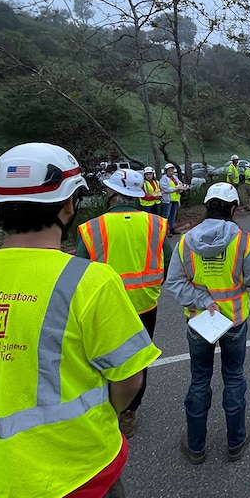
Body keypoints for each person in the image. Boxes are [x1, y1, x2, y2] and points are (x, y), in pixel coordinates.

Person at [0, 142, 161, 498]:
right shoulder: (90, 281)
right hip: (75, 479)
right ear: (69, 204)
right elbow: (129, 379)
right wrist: (109, 414)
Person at [164, 182, 250, 465]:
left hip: (200, 322)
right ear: (233, 209)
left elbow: (174, 282)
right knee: (233, 377)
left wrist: (200, 297)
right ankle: (236, 442)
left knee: (200, 379)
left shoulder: (185, 241)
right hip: (234, 321)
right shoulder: (244, 241)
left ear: (207, 207)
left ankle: (196, 446)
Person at [76, 167, 171, 438]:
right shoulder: (156, 224)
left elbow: (80, 270)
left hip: (105, 306)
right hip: (145, 304)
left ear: (113, 193)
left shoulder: (92, 227)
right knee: (137, 359)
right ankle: (129, 412)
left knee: (100, 356)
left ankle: (105, 409)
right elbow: (169, 258)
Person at [161, 162, 184, 234]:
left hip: (175, 199)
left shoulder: (174, 178)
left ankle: (172, 228)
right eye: (169, 171)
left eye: (172, 171)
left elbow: (180, 184)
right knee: (166, 215)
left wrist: (181, 188)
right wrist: (175, 189)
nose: (171, 172)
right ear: (166, 171)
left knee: (173, 215)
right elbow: (165, 189)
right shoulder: (164, 179)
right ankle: (165, 230)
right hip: (168, 200)